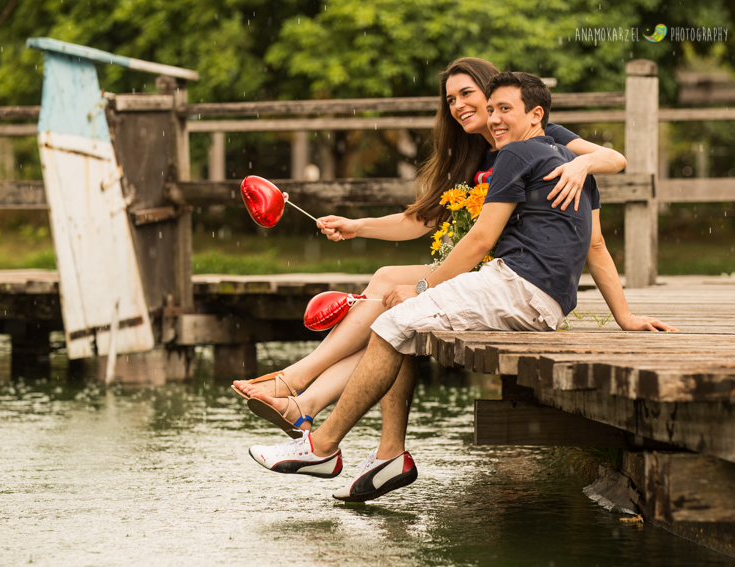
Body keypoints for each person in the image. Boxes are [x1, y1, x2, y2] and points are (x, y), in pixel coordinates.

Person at [246, 71, 676, 502]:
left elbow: (481, 240)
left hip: (515, 284)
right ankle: (385, 455)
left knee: (393, 321)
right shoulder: (559, 160)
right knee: (399, 326)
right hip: (542, 298)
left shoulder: (523, 155)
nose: (493, 119)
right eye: (491, 110)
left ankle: (321, 445)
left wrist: (422, 286)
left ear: (536, 114)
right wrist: (626, 317)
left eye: (502, 109)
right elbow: (596, 245)